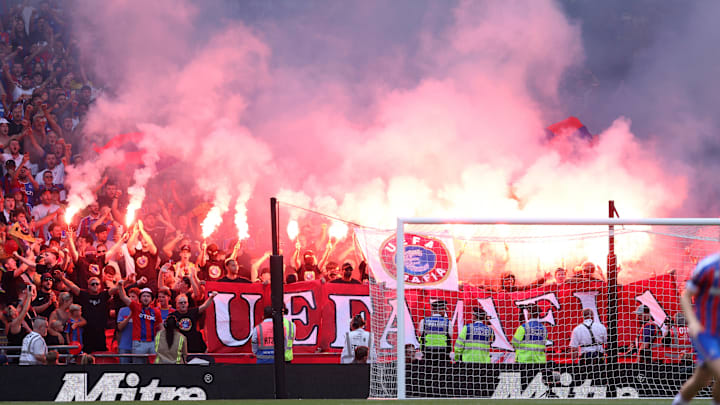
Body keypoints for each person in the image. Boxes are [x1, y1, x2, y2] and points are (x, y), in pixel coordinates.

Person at [672, 253, 720, 405]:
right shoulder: (708, 266)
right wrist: (692, 322)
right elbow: (686, 297)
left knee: (700, 380)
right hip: (706, 333)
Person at [117, 285, 163, 364]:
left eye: (148, 296)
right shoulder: (135, 307)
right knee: (138, 367)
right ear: (140, 298)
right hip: (139, 343)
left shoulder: (156, 311)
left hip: (152, 343)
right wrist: (120, 286)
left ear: (152, 299)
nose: (146, 298)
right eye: (144, 296)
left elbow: (162, 329)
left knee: (155, 367)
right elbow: (123, 297)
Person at [418, 300, 451, 366]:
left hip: (427, 353)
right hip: (443, 354)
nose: (445, 312)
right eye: (444, 310)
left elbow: (421, 334)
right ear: (441, 310)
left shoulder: (424, 321)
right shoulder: (447, 322)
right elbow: (450, 335)